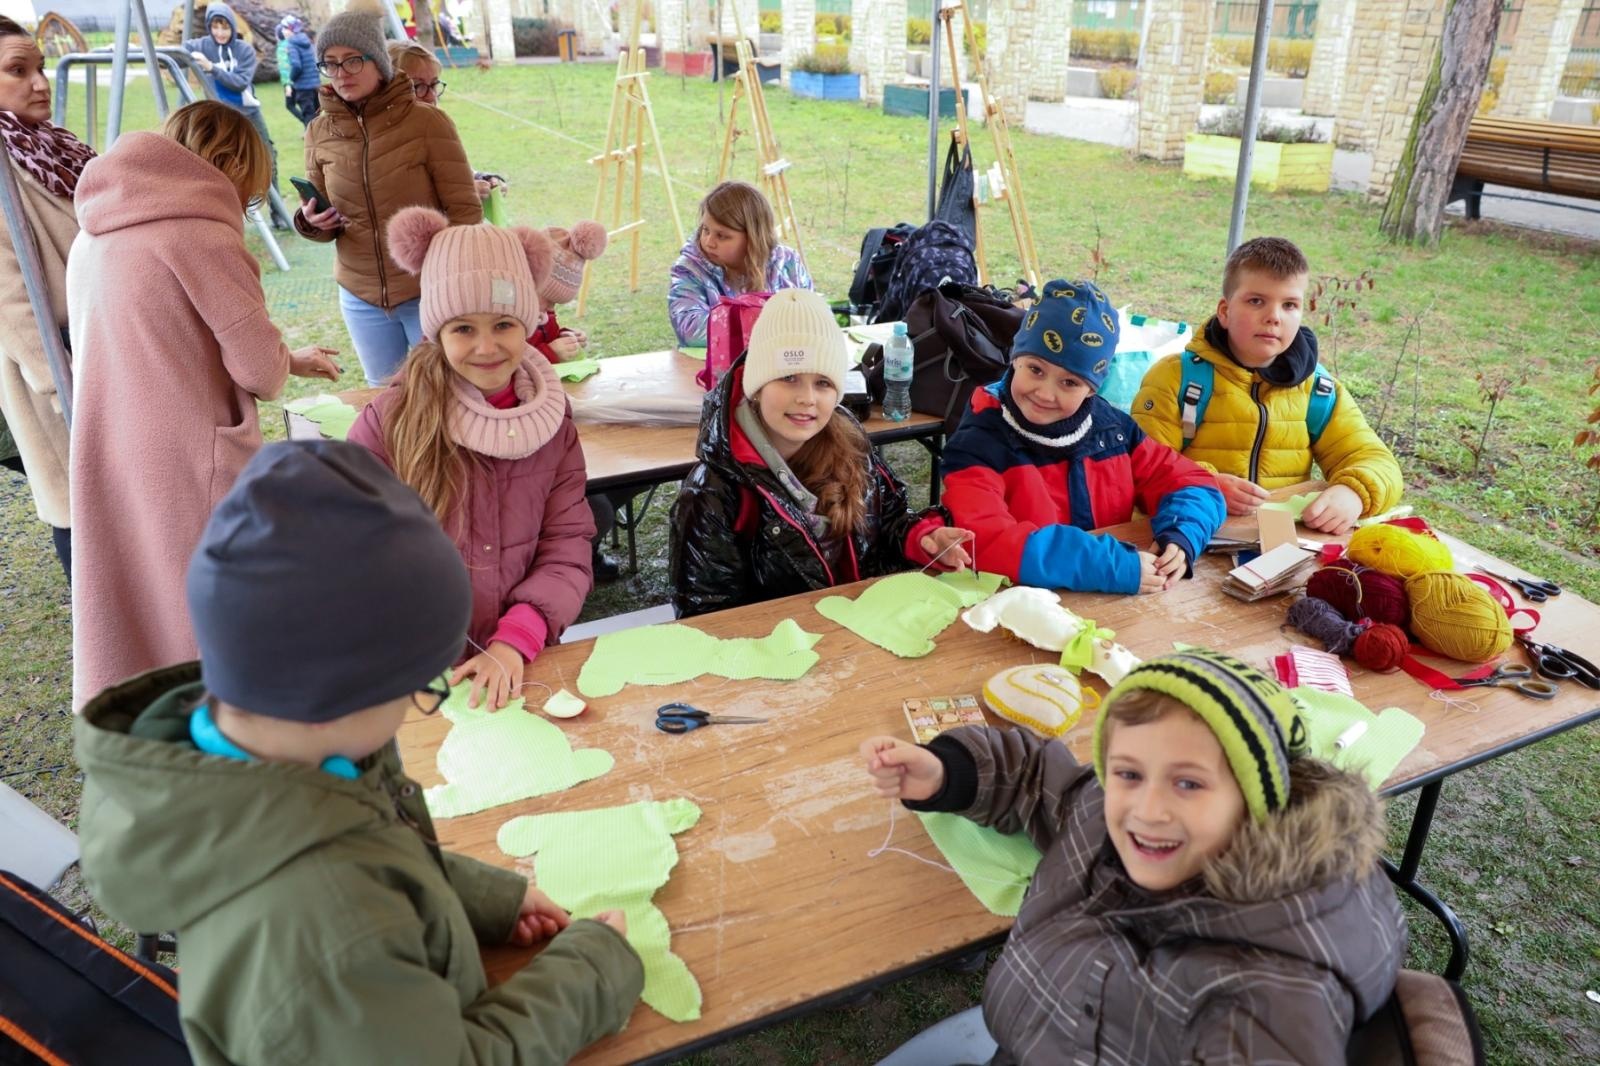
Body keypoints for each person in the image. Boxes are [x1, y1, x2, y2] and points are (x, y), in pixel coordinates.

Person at [73, 440, 643, 1066]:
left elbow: (368, 842)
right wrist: (590, 974)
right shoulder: (328, 935)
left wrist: (484, 898)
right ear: (346, 692)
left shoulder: (260, 761)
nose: (412, 708)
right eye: (418, 687)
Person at [861, 649, 1406, 1064]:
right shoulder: (1107, 809)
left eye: (1188, 783)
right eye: (1127, 772)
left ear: (1255, 798)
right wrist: (945, 773)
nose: (1146, 809)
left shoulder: (1266, 999)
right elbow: (1035, 779)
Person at [66, 101, 340, 709]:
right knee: (213, 613)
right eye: (248, 195)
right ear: (232, 165)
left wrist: (288, 354)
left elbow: (159, 336)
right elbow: (259, 373)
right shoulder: (202, 234)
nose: (244, 207)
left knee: (141, 598)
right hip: (189, 454)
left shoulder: (97, 230)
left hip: (110, 443)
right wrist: (280, 359)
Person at [347, 208, 593, 711]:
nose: (486, 347)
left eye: (504, 323)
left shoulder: (551, 421)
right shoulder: (390, 422)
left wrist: (517, 638)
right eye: (463, 328)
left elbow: (567, 543)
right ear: (437, 331)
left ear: (529, 323)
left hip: (519, 659)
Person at [669, 288, 972, 618]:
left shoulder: (851, 444)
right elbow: (707, 614)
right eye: (789, 378)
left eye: (823, 383)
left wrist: (922, 537)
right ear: (756, 386)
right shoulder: (713, 492)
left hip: (858, 633)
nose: (807, 398)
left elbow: (889, 521)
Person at [940, 279, 1225, 596]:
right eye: (1035, 369)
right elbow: (983, 540)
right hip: (1014, 608)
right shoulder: (977, 443)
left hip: (1109, 605)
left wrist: (1183, 534)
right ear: (1015, 358)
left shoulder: (1113, 430)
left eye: (1070, 382)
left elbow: (1194, 483)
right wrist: (1105, 565)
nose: (1045, 393)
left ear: (1093, 388)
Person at [1132, 236, 1404, 535]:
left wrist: (1354, 493)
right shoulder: (1175, 379)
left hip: (1280, 545)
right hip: (1187, 535)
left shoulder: (1319, 389)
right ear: (1224, 311)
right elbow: (1139, 469)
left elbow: (1377, 461)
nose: (1273, 317)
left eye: (1289, 305)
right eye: (1256, 301)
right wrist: (1205, 484)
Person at [296, 8, 480, 387]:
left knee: (445, 396)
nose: (341, 73)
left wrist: (446, 280)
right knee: (385, 403)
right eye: (331, 63)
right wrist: (312, 222)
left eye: (352, 60)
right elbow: (323, 215)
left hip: (427, 292)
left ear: (378, 62)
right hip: (360, 296)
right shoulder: (318, 130)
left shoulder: (428, 122)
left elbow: (465, 212)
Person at [0, 17, 90, 581]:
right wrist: (65, 386)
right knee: (83, 517)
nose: (39, 82)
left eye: (39, 67)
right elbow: (9, 301)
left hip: (100, 341)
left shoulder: (53, 147)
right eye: (17, 71)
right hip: (59, 370)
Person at [668, 180, 810, 348]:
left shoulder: (787, 262)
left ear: (752, 238)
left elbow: (811, 315)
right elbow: (691, 331)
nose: (708, 242)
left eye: (722, 236)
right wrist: (765, 321)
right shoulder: (689, 269)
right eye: (705, 230)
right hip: (717, 370)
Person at [184, 3, 289, 228]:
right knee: (215, 162)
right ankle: (220, 217)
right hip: (219, 115)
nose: (220, 33)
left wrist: (212, 67)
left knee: (267, 157)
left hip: (248, 112)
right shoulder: (202, 45)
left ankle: (278, 213)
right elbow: (177, 49)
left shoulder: (244, 50)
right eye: (215, 27)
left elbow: (240, 82)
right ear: (209, 27)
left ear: (232, 28)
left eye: (225, 27)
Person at [386, 39, 507, 204]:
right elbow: (396, 200)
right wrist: (461, 192)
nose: (431, 96)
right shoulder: (380, 140)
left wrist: (483, 179)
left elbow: (450, 170)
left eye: (434, 84)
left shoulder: (432, 128)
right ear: (388, 89)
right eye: (418, 86)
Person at [276, 14, 320, 128]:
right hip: (314, 86)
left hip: (303, 87)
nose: (283, 31)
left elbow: (296, 66)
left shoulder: (292, 44)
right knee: (317, 115)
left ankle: (313, 143)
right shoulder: (307, 41)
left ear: (291, 30)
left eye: (285, 28)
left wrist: (291, 80)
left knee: (308, 117)